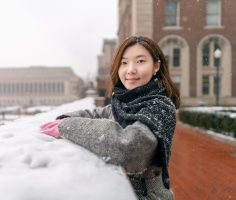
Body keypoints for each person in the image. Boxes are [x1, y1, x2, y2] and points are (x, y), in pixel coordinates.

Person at [40, 36, 180, 199]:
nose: (130, 69)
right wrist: (63, 119)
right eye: (124, 62)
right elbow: (95, 114)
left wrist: (67, 126)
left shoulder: (160, 107)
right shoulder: (124, 103)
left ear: (156, 66)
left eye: (140, 61)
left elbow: (129, 147)